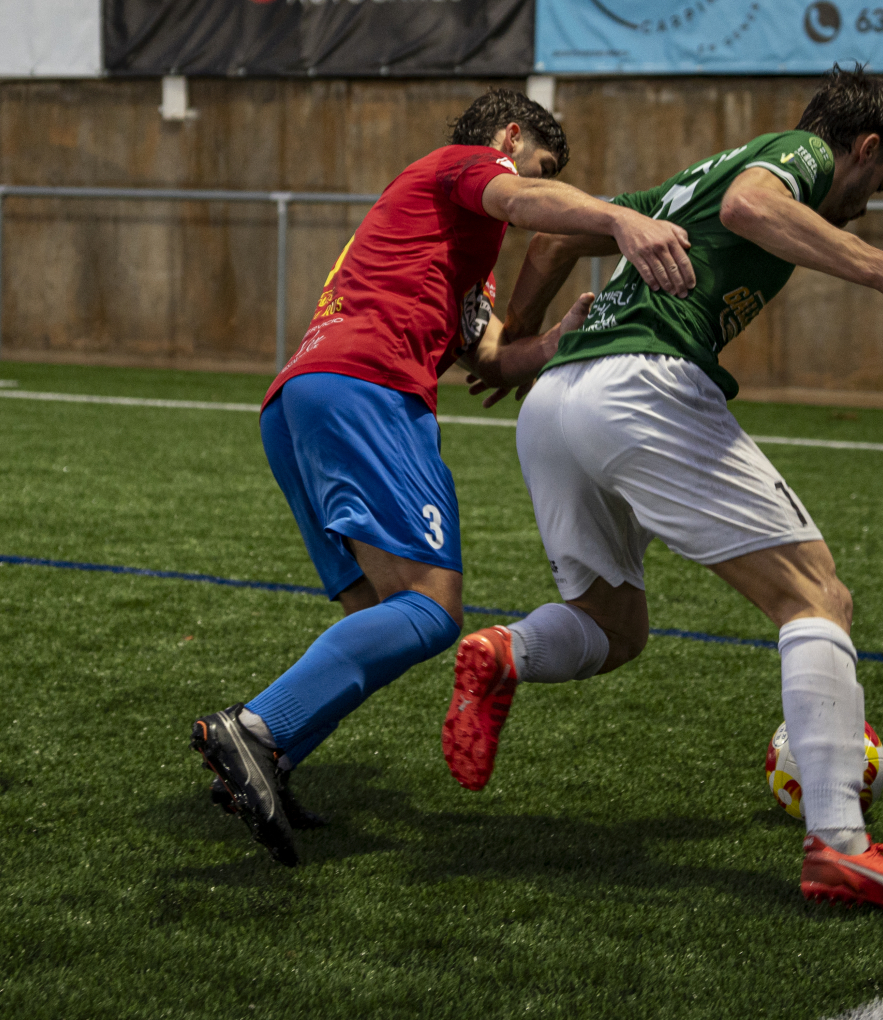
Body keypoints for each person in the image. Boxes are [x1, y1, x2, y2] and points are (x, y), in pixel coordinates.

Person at [440, 66, 883, 910]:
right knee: (817, 597)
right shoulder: (800, 154)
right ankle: (841, 847)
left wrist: (518, 347)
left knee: (612, 626)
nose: (865, 207)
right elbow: (750, 209)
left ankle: (504, 652)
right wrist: (881, 269)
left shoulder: (682, 186)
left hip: (557, 401)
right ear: (864, 147)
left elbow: (551, 243)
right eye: (875, 184)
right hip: (640, 386)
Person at [190, 88, 696, 866]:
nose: (537, 185)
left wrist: (557, 342)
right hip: (368, 389)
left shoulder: (455, 246)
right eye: (542, 166)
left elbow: (489, 360)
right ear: (511, 138)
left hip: (303, 399)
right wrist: (620, 219)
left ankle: (272, 758)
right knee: (431, 609)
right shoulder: (465, 165)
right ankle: (254, 729)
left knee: (379, 616)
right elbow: (524, 201)